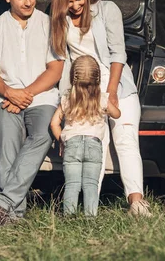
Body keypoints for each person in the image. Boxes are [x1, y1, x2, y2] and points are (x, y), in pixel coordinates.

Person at [50, 0, 151, 217]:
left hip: (115, 83)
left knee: (126, 139)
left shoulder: (107, 10)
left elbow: (118, 54)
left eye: (79, 0)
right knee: (94, 142)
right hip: (82, 89)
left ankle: (137, 203)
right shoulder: (59, 20)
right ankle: (87, 210)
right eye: (69, 2)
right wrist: (66, 99)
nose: (75, 6)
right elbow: (62, 61)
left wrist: (112, 91)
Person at [0, 0, 64, 228]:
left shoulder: (50, 25)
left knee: (44, 134)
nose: (28, 2)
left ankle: (1, 203)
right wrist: (10, 93)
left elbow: (56, 69)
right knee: (7, 150)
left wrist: (25, 95)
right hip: (3, 99)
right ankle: (12, 219)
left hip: (42, 98)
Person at [50, 55, 121, 216]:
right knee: (91, 184)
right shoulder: (101, 99)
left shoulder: (67, 99)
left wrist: (61, 140)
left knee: (72, 184)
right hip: (93, 145)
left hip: (72, 145)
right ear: (98, 78)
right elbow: (117, 114)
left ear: (72, 77)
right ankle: (90, 219)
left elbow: (54, 123)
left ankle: (69, 218)